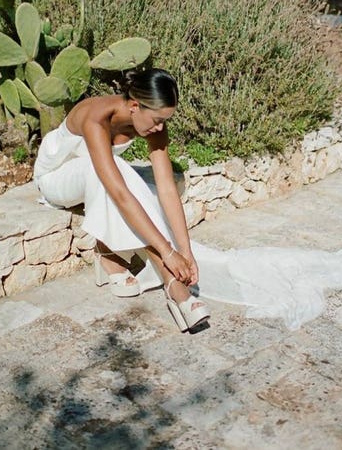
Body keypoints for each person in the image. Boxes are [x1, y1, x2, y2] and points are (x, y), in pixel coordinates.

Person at [33, 68, 210, 332]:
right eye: (157, 120)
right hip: (56, 179)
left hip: (96, 179)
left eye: (165, 120)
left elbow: (167, 188)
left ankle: (154, 277)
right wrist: (168, 252)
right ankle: (171, 282)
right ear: (135, 106)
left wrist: (185, 251)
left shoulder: (153, 123)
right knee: (112, 172)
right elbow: (119, 193)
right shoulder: (96, 117)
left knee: (117, 175)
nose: (161, 127)